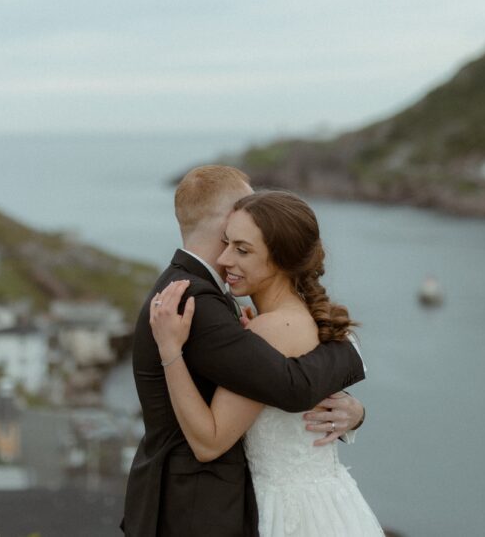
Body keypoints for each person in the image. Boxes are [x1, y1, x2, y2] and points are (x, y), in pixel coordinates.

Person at [122, 166, 368, 536]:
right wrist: (349, 353)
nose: (228, 259)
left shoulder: (246, 314)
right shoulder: (196, 299)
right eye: (234, 241)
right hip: (198, 506)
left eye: (243, 248)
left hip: (265, 505)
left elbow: (282, 382)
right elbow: (292, 388)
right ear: (230, 216)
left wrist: (354, 407)